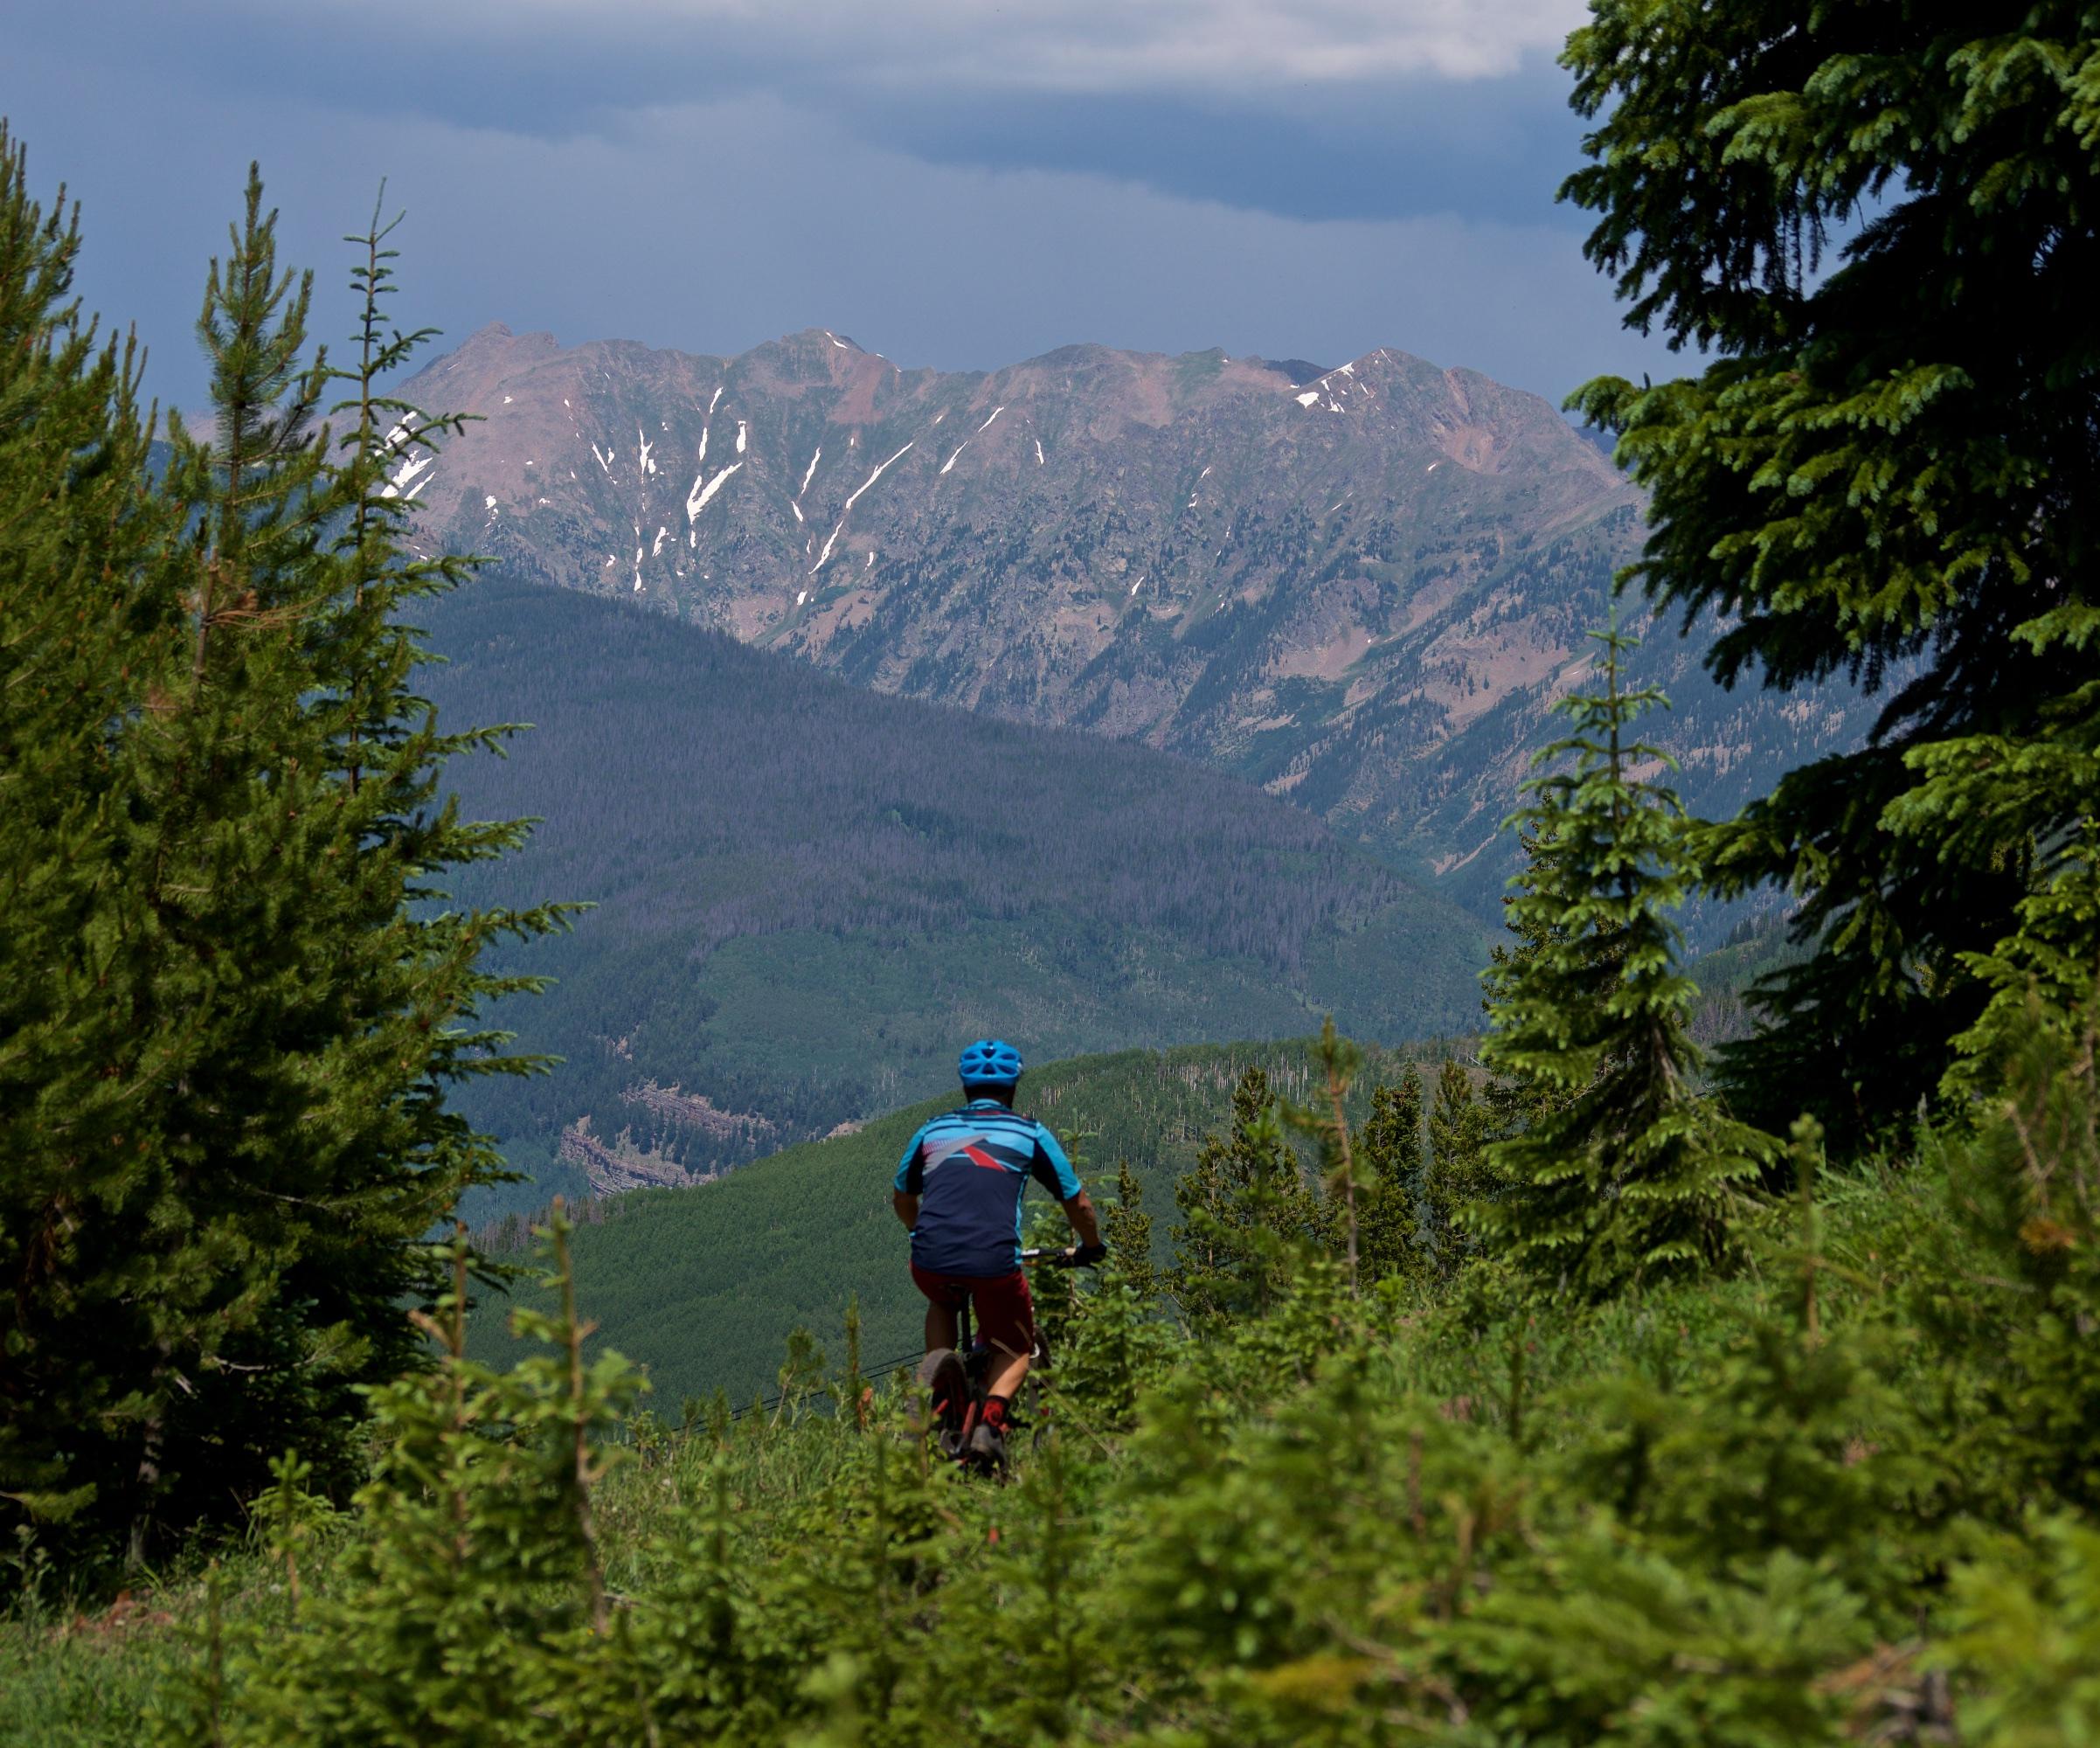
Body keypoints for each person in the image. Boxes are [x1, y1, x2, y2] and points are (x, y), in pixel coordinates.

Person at [892, 1038, 1104, 1464]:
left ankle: (936, 1383)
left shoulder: (932, 1130)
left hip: (929, 1259)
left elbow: (902, 1197)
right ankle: (990, 1424)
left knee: (941, 1297)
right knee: (1015, 1346)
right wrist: (1091, 1246)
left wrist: (920, 1232)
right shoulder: (1028, 1133)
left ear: (965, 1088)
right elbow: (1078, 1204)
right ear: (1012, 1089)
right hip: (993, 1262)